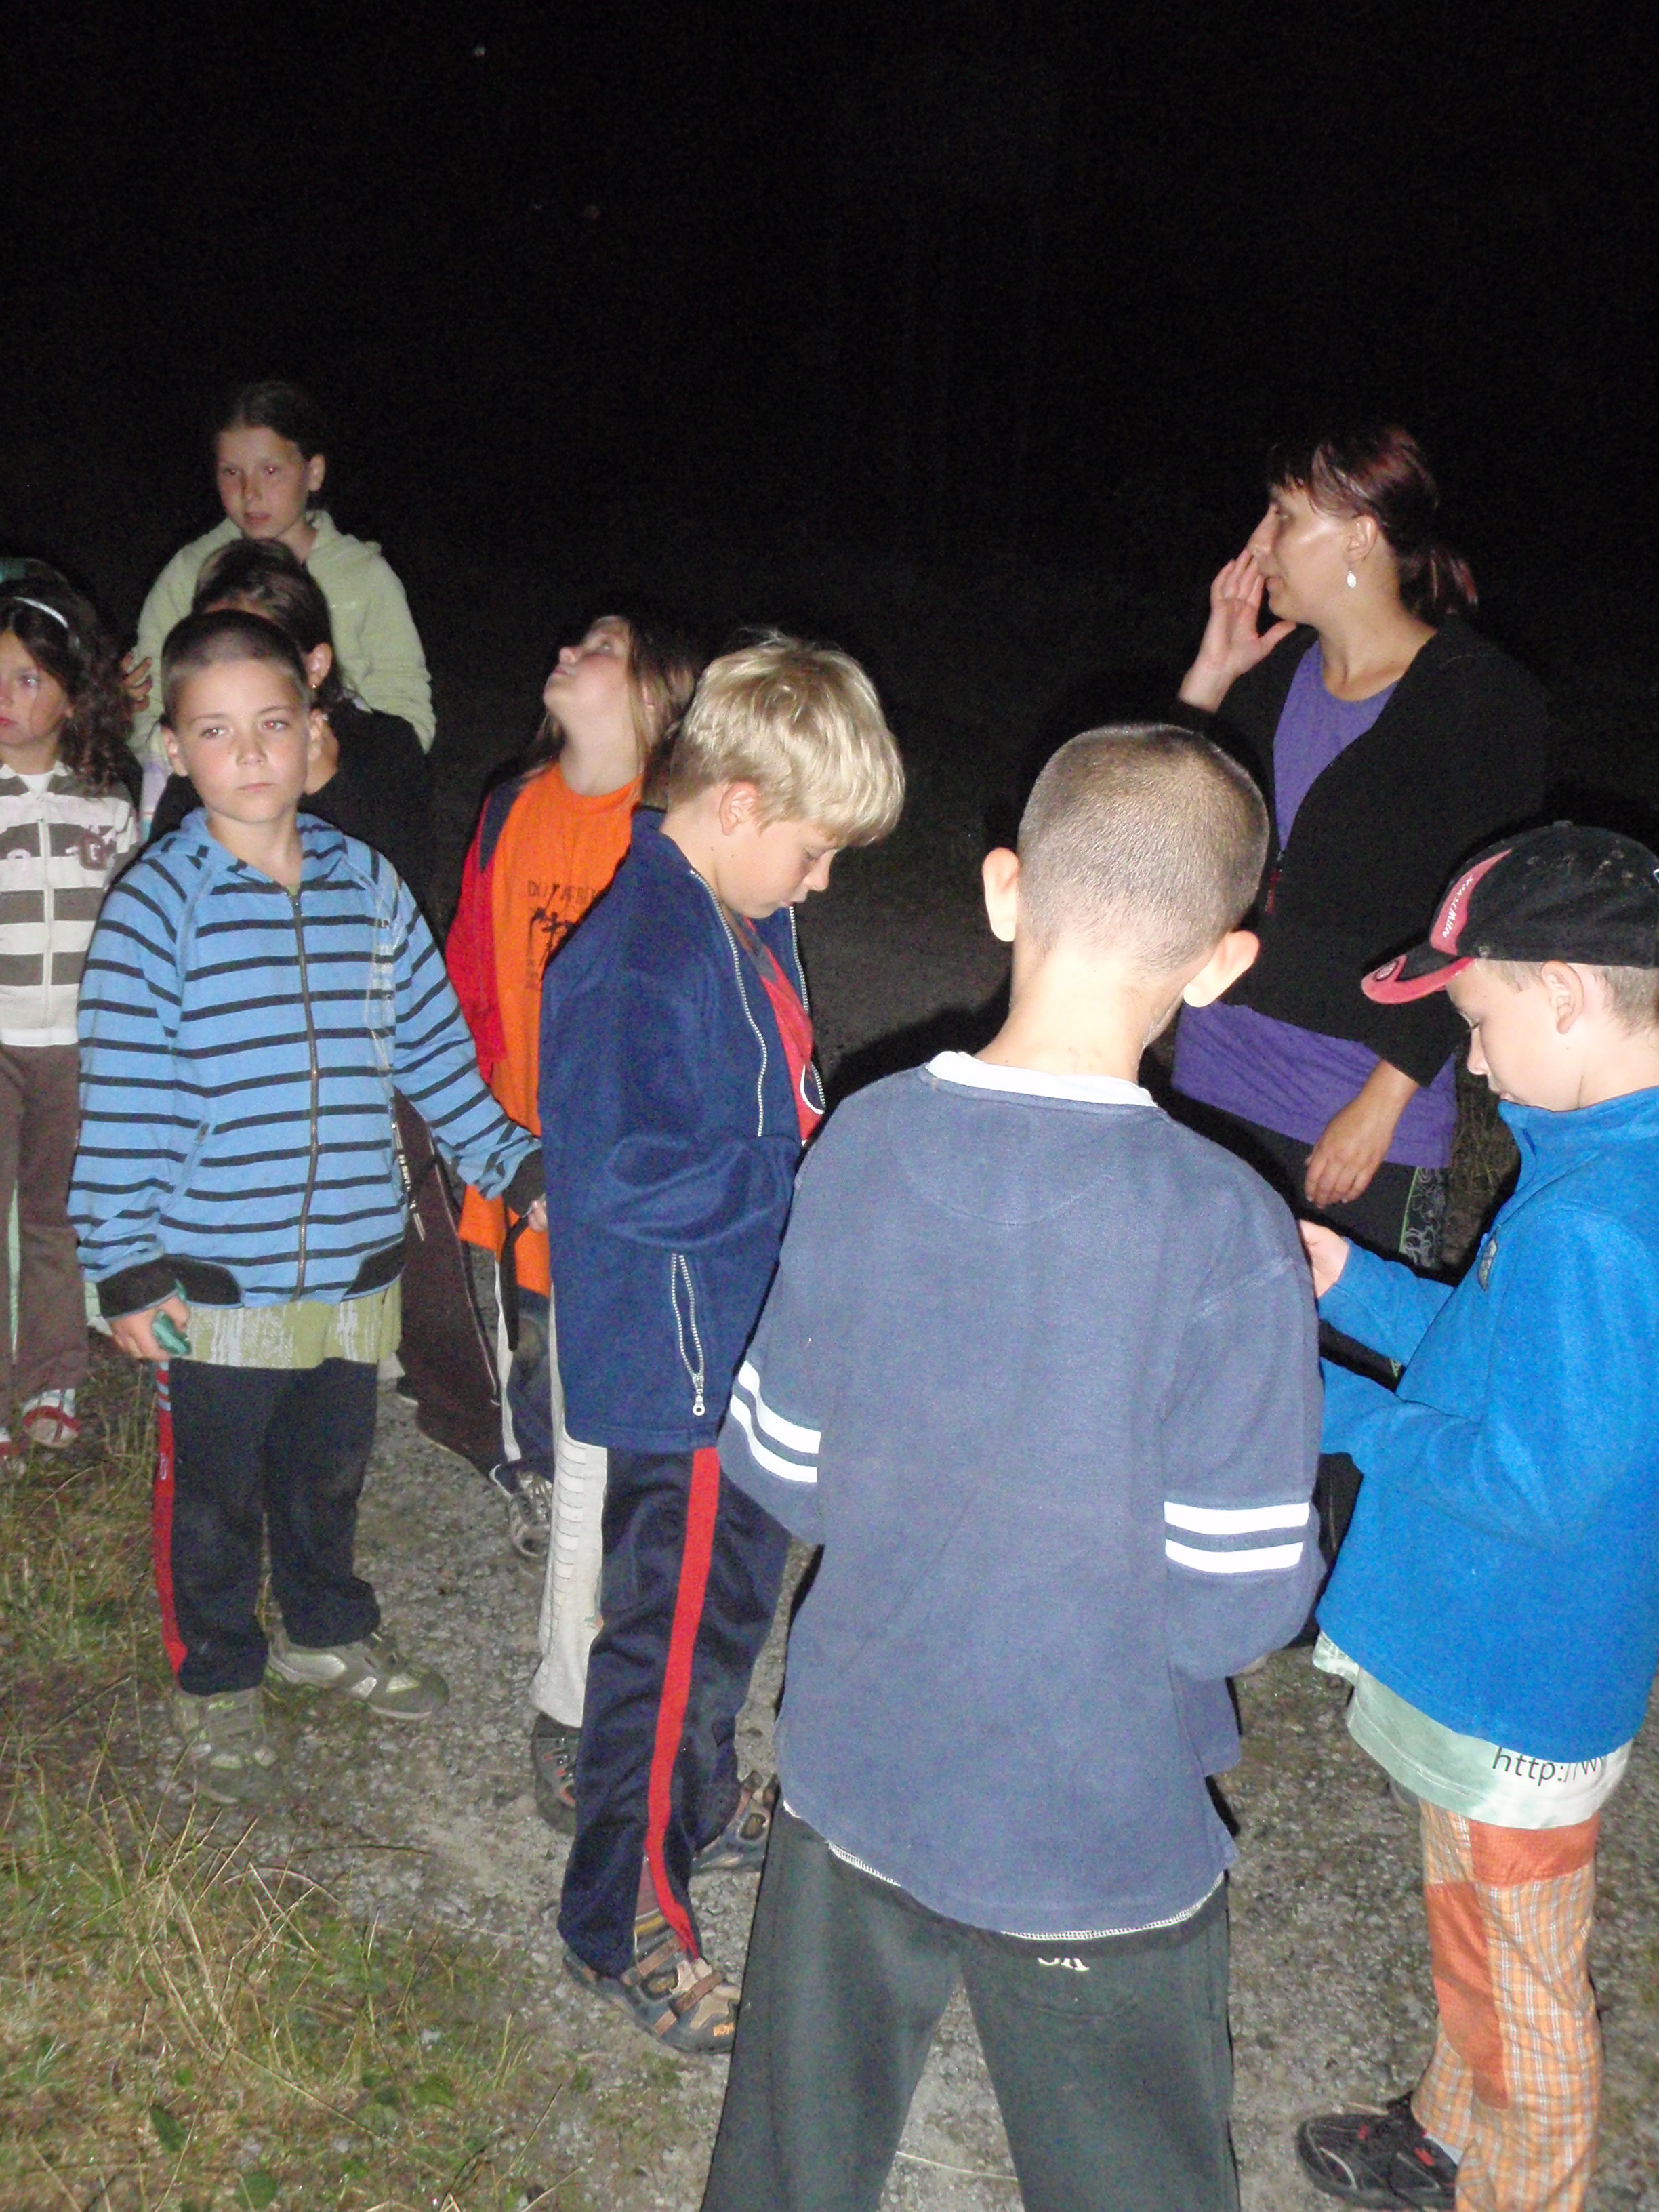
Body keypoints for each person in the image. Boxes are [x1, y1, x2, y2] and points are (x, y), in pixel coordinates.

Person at [700, 726, 1323, 2212]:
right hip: (1093, 1821)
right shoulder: (1229, 1228)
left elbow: (783, 1466)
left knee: (789, 2163)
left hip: (858, 1773)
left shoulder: (864, 1136)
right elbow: (1233, 1611)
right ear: (1222, 965)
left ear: (1002, 890)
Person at [70, 609, 544, 1810]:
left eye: (273, 723)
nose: (248, 752)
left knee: (330, 1469)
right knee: (217, 1493)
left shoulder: (365, 883)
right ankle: (219, 1669)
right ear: (173, 747)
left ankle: (327, 1629)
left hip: (353, 1262)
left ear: (313, 731)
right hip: (214, 1279)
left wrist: (508, 1161)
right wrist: (125, 1260)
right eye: (215, 730)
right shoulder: (155, 906)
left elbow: (433, 1053)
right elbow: (119, 1095)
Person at [542, 634, 904, 2052]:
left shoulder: (737, 914)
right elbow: (612, 1171)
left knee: (729, 1610)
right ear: (739, 803)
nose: (821, 883)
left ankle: (695, 1798)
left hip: (746, 1343)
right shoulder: (638, 952)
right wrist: (795, 1172)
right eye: (816, 854)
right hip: (678, 1369)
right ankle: (619, 1913)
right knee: (667, 1638)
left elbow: (770, 1089)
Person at [1294, 825, 1659, 2212]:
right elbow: (1501, 1355)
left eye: (1479, 1023)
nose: (1479, 1066)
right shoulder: (1610, 1165)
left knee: (1521, 1986)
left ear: (1564, 992)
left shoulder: (1597, 1218)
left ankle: (1522, 2184)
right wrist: (1347, 1283)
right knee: (1479, 1942)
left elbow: (1531, 1481)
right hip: (1524, 1666)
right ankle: (1447, 2132)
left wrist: (1330, 1408)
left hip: (1512, 1680)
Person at [1170, 424, 1546, 1570]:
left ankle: (1328, 1591)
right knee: (1205, 1337)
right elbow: (1165, 840)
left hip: (1356, 1094)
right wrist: (1208, 677)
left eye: (1284, 516)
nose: (1258, 544)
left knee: (1337, 1364)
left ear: (1362, 536)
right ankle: (1201, 1556)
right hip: (1220, 1065)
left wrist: (1384, 1102)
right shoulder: (1267, 676)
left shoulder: (1479, 697)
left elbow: (1474, 922)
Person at [150, 540, 499, 1476]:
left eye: (259, 651)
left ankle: (470, 1421)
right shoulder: (187, 810)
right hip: (248, 1073)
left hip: (365, 1045)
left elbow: (404, 899)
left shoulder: (381, 751)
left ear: (313, 667)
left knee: (417, 1248)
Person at [445, 609, 703, 1614]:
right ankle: (540, 1472)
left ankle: (627, 1482)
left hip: (623, 1151)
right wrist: (474, 1115)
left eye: (601, 647)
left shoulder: (671, 826)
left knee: (618, 1325)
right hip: (524, 1144)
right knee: (534, 1327)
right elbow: (471, 968)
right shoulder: (512, 806)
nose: (567, 650)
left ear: (655, 696)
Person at [128, 381, 433, 814]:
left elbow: (407, 708)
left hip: (336, 797)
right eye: (231, 472)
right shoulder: (188, 572)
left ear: (314, 472)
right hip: (222, 797)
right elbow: (150, 702)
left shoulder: (364, 576)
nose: (250, 492)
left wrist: (340, 774)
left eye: (270, 471)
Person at [0, 579, 138, 1458]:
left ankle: (52, 1375)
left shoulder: (106, 803)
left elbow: (128, 926)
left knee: (54, 1215)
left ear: (72, 694)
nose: (5, 698)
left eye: (26, 680)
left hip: (74, 1051)